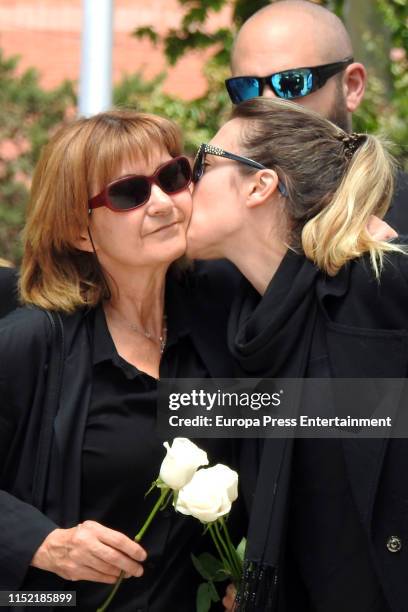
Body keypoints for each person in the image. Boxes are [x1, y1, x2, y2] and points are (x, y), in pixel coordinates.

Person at [0, 109, 239, 610]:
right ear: (78, 231)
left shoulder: (225, 316)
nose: (161, 203)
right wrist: (41, 544)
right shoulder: (29, 343)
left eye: (173, 178)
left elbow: (333, 424)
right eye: (129, 193)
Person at [187, 97, 408, 612]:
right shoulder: (251, 324)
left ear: (260, 185)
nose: (187, 184)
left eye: (203, 162)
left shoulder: (379, 290)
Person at [225, 0, 408, 233]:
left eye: (292, 82)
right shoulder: (216, 238)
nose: (268, 103)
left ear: (351, 86)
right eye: (246, 87)